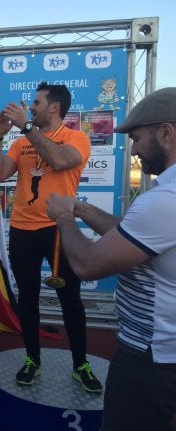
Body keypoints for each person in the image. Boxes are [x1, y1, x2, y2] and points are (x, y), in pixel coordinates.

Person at [46, 87, 176, 431]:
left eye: (137, 138)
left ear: (166, 132)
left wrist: (63, 216)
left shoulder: (164, 200)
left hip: (148, 355)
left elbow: (87, 264)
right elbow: (133, 237)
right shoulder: (164, 200)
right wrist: (81, 207)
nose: (133, 151)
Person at [0, 83, 102, 393]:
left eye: (36, 103)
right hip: (22, 231)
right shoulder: (21, 141)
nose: (31, 107)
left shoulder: (75, 138)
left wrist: (25, 127)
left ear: (54, 107)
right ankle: (32, 360)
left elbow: (61, 160)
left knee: (70, 299)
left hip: (59, 230)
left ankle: (80, 364)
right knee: (28, 299)